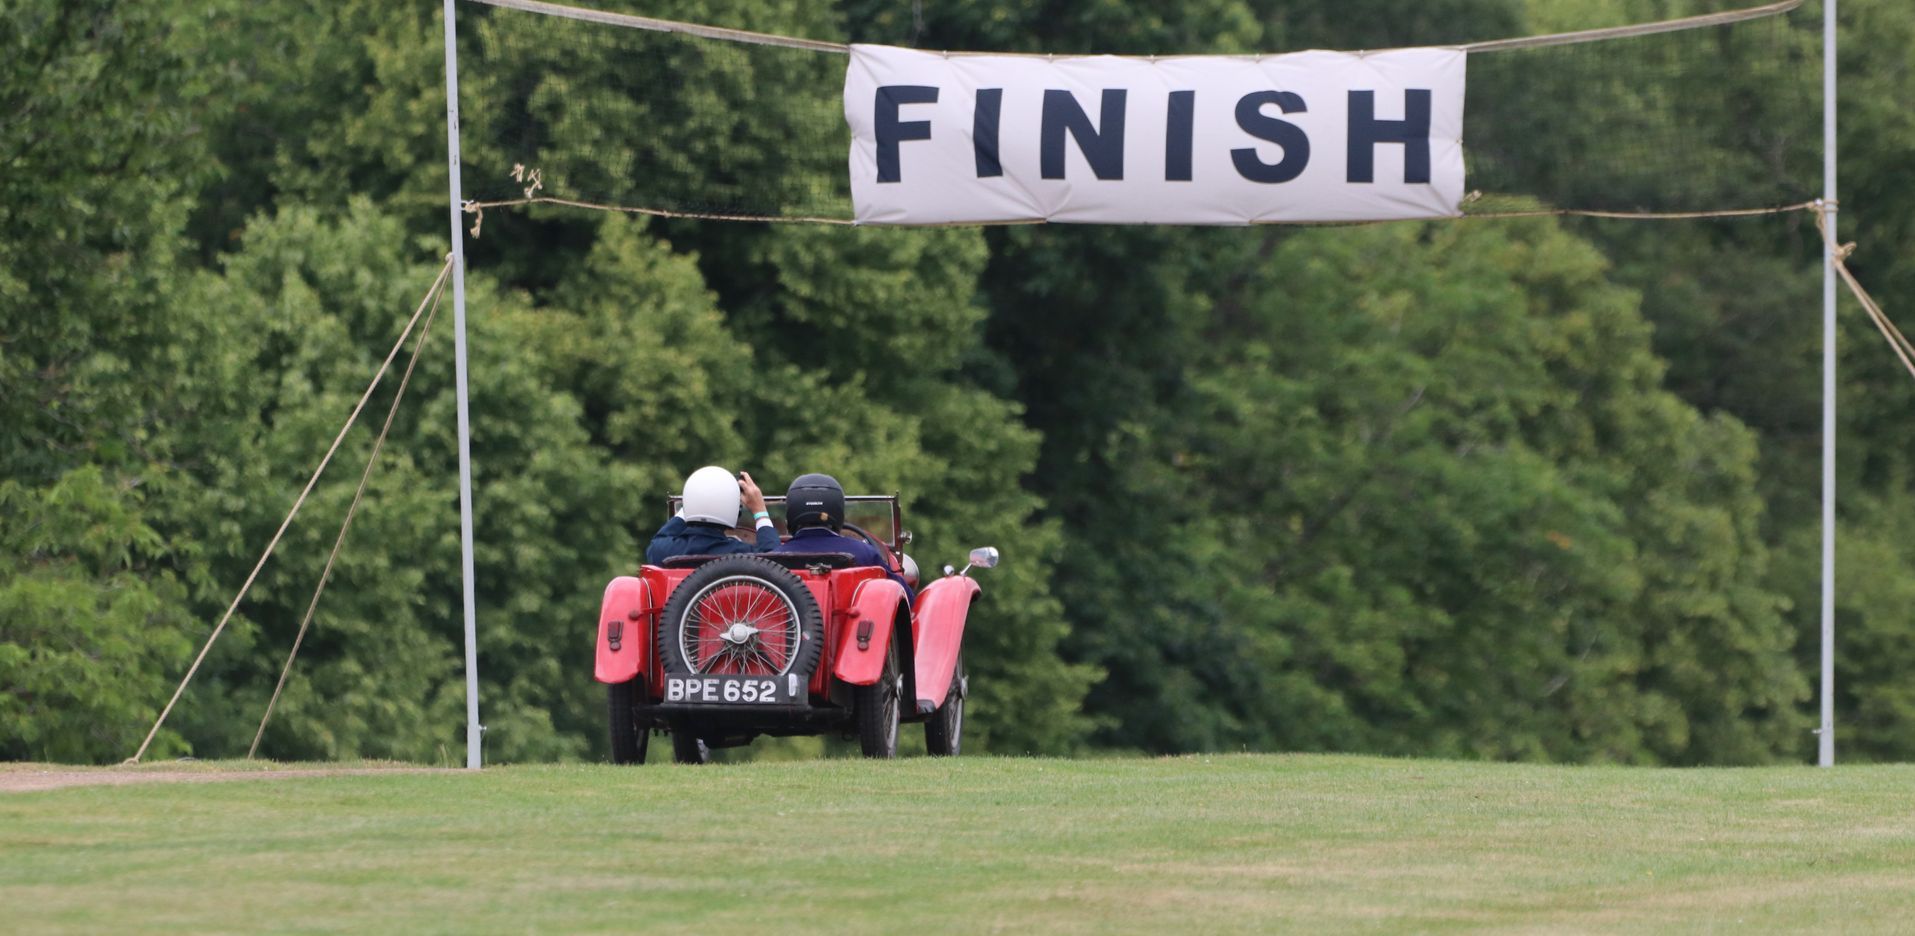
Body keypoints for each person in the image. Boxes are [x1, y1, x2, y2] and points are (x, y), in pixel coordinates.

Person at [773, 473, 914, 598]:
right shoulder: (864, 552)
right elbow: (904, 596)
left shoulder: (774, 558)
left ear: (790, 516)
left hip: (786, 625)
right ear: (838, 513)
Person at [644, 466, 779, 565]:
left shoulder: (664, 551)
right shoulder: (740, 554)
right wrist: (760, 511)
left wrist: (695, 500)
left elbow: (659, 539)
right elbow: (775, 560)